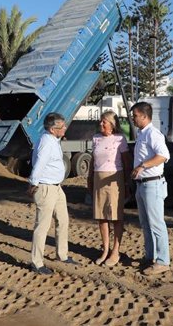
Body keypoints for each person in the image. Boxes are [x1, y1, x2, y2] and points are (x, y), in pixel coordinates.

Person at [27, 112, 79, 275]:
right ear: (51, 129)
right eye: (61, 126)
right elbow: (40, 163)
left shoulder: (53, 140)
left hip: (57, 188)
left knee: (63, 220)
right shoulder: (46, 142)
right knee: (42, 226)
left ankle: (62, 254)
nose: (65, 128)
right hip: (46, 188)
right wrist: (33, 183)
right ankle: (36, 262)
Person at [130, 101, 171, 276]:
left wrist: (142, 166)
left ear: (145, 116)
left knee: (156, 224)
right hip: (142, 184)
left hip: (152, 184)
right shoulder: (142, 134)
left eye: (135, 116)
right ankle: (150, 256)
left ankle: (163, 261)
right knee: (145, 223)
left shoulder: (153, 134)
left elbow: (163, 155)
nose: (133, 119)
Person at [88, 111, 131, 267]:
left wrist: (126, 184)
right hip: (98, 179)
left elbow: (127, 163)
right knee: (102, 216)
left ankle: (115, 252)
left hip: (114, 179)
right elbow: (93, 161)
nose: (101, 124)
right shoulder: (96, 138)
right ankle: (105, 250)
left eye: (104, 122)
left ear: (112, 124)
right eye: (100, 121)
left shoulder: (120, 139)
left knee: (116, 216)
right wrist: (90, 178)